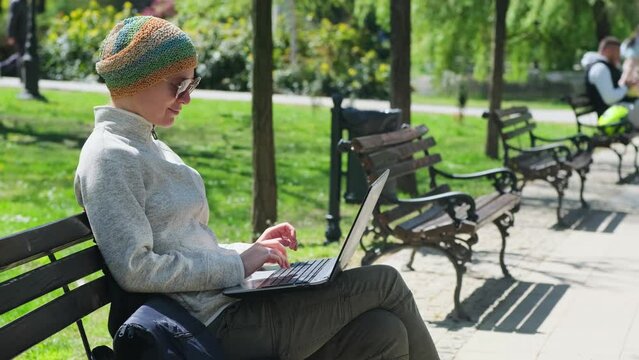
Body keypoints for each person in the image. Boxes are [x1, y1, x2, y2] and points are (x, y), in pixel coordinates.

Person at [74, 16, 440, 359]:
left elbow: (187, 241)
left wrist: (252, 250)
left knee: (383, 332)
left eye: (192, 83)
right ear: (140, 79)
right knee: (385, 282)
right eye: (179, 84)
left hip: (229, 306)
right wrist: (237, 264)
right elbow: (136, 268)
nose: (187, 97)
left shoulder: (146, 143)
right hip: (204, 327)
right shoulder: (111, 157)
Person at [581, 36, 639, 128]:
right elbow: (609, 98)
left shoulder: (606, 67)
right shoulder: (600, 68)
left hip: (616, 111)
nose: (619, 55)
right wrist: (626, 87)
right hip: (609, 117)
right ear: (607, 50)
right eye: (616, 51)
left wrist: (627, 85)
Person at [0, 0, 27, 77]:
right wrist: (11, 36)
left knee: (20, 56)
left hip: (25, 36)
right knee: (21, 56)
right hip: (19, 36)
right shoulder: (16, 3)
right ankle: (22, 76)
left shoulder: (25, 3)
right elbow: (12, 20)